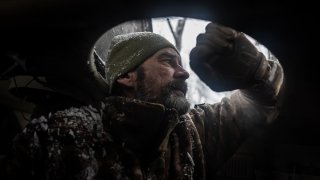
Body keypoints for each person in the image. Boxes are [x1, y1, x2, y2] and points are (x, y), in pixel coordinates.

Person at [2, 22, 284, 179]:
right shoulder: (59, 136)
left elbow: (259, 105)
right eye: (168, 61)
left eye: (181, 63)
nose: (184, 72)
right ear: (126, 76)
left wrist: (253, 70)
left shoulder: (195, 131)